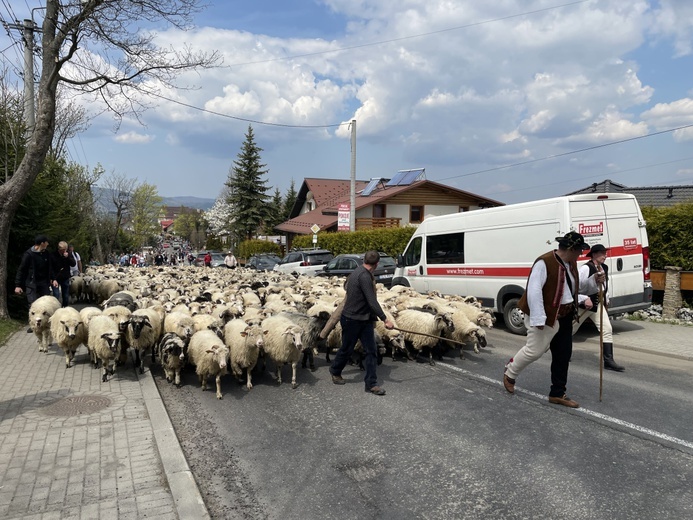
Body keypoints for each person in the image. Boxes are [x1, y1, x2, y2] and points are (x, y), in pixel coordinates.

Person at [502, 232, 604, 408]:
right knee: (534, 351)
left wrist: (594, 280)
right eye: (579, 250)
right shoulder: (544, 262)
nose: (581, 253)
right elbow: (534, 291)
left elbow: (575, 289)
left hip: (565, 315)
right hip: (547, 316)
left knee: (563, 355)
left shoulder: (571, 264)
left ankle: (557, 393)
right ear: (571, 249)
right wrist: (539, 318)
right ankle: (510, 373)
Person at [328, 250, 394, 395]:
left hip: (364, 320)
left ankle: (371, 383)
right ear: (377, 264)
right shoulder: (364, 276)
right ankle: (335, 370)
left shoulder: (356, 271)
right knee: (347, 348)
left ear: (364, 260)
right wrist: (385, 319)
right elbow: (372, 301)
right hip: (352, 319)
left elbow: (346, 287)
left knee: (371, 351)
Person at [573, 244, 625, 372]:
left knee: (607, 329)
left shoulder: (604, 268)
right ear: (594, 254)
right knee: (570, 329)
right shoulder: (585, 268)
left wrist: (606, 298)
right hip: (584, 305)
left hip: (598, 304)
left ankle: (608, 361)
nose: (605, 256)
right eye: (602, 253)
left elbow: (604, 286)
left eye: (605, 253)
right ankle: (562, 351)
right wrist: (584, 298)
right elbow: (575, 288)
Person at [15, 235, 54, 331]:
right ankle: (33, 326)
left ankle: (47, 324)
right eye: (46, 242)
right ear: (42, 243)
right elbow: (22, 270)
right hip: (32, 283)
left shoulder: (46, 253)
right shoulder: (29, 254)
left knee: (47, 304)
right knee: (33, 305)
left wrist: (53, 279)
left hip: (44, 283)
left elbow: (50, 267)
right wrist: (18, 285)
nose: (48, 244)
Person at [50, 241, 76, 307]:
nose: (64, 251)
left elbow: (73, 264)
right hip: (56, 278)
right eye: (63, 250)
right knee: (56, 294)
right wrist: (52, 278)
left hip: (65, 277)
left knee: (66, 296)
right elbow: (51, 268)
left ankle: (65, 308)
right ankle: (56, 309)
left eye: (65, 249)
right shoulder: (53, 255)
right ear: (59, 249)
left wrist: (68, 257)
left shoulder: (69, 254)